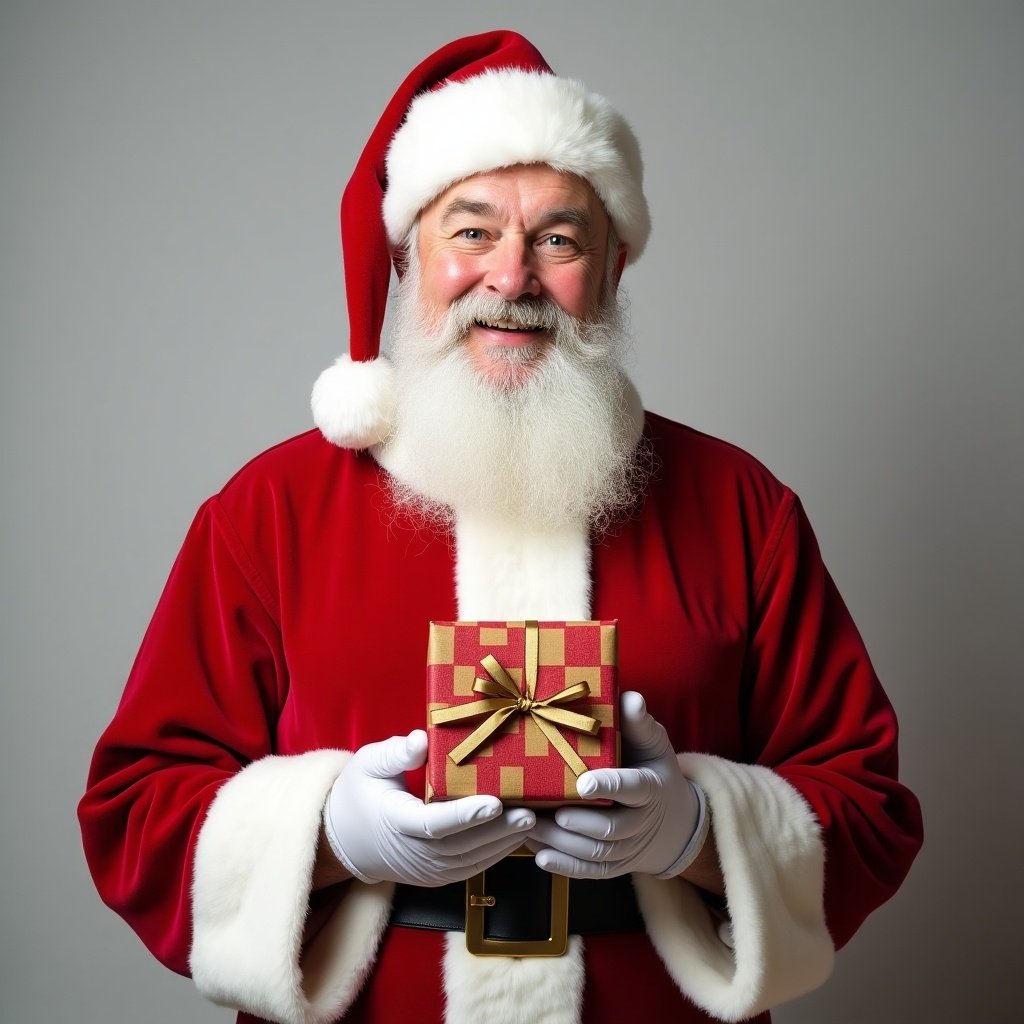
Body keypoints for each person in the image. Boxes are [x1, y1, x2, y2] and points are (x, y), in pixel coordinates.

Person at [78, 30, 922, 1024]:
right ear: (410, 257)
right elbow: (133, 811)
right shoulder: (270, 510)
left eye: (558, 238)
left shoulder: (740, 506)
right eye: (471, 231)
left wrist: (693, 829)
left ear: (610, 269)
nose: (513, 277)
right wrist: (327, 834)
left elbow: (866, 809)